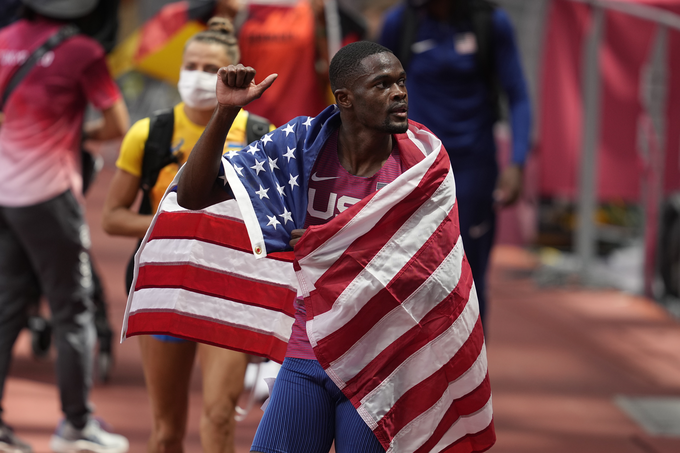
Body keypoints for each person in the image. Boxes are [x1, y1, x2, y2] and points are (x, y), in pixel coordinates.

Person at [175, 40, 494, 453]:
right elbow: (192, 194)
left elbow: (434, 275)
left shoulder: (424, 165)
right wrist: (225, 112)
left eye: (401, 82)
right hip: (310, 349)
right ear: (344, 98)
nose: (399, 93)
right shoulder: (302, 148)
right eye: (382, 85)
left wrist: (328, 245)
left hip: (385, 362)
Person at [101, 17, 274, 453]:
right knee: (167, 432)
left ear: (232, 74)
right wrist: (180, 223)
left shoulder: (258, 134)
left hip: (229, 288)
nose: (197, 76)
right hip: (165, 285)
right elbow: (112, 218)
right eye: (190, 65)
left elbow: (270, 217)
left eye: (208, 68)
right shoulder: (150, 133)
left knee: (218, 417)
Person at [0, 0, 130, 452]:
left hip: (3, 195)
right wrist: (77, 133)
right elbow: (117, 123)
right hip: (50, 198)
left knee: (7, 309)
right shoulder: (83, 51)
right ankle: (76, 425)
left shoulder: (3, 42)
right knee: (71, 310)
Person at [379, 0, 532, 325]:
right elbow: (375, 93)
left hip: (473, 170)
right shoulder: (400, 22)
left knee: (469, 276)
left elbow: (517, 93)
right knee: (409, 276)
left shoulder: (491, 23)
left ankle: (473, 370)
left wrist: (517, 163)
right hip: (415, 169)